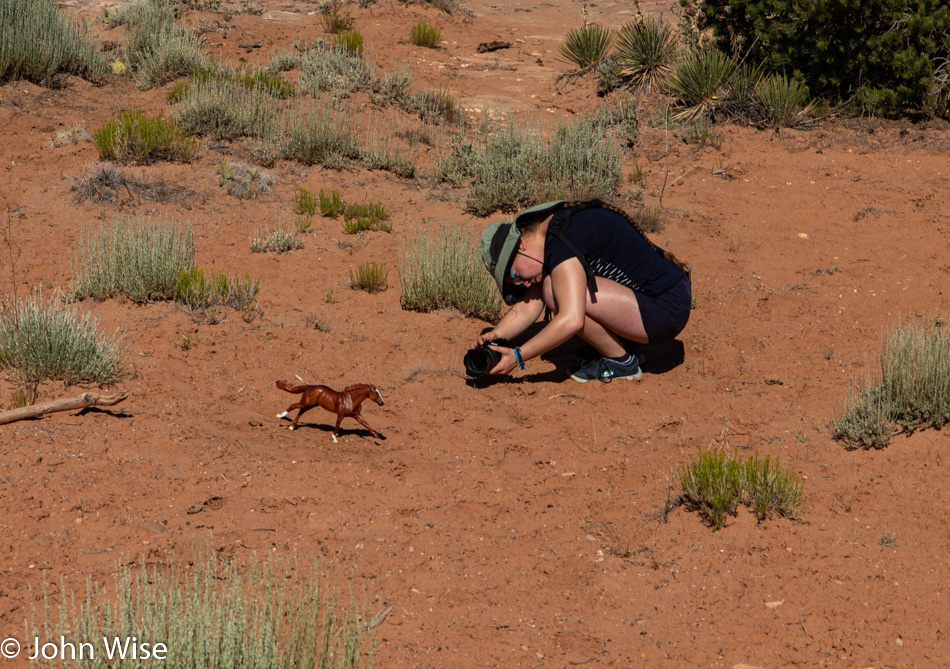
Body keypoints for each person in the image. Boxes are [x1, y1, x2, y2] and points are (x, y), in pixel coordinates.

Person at [473, 199, 691, 383]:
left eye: (517, 276)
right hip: (666, 296)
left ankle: (622, 362)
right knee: (551, 286)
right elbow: (529, 307)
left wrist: (518, 357)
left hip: (664, 309)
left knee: (553, 290)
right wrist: (496, 336)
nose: (525, 284)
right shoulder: (553, 229)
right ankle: (623, 343)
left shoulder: (561, 242)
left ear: (520, 246)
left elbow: (572, 319)